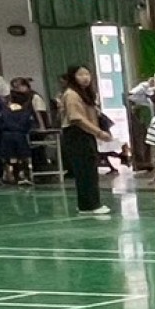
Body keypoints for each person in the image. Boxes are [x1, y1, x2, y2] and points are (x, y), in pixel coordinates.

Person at [56, 63, 114, 217]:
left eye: (87, 74)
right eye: (80, 74)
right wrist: (99, 132)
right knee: (85, 171)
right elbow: (77, 119)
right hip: (77, 134)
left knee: (89, 170)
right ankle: (89, 205)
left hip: (85, 134)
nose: (85, 78)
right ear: (73, 77)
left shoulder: (84, 94)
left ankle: (88, 204)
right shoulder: (72, 94)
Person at [0, 94, 33, 185]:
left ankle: (10, 176)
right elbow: (29, 125)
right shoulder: (26, 113)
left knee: (8, 157)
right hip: (20, 136)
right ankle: (24, 176)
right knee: (23, 157)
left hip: (6, 136)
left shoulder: (4, 112)